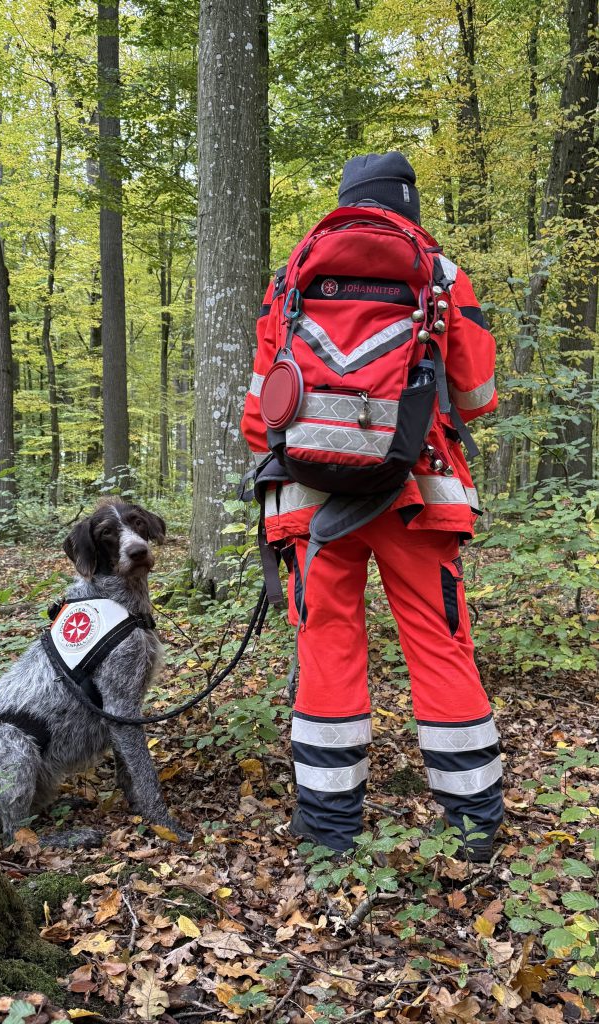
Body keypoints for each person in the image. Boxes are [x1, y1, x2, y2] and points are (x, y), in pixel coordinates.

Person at [240, 152, 503, 860]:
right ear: (408, 205)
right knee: (439, 647)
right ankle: (473, 827)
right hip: (416, 496)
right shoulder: (440, 276)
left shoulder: (292, 275)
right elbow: (476, 396)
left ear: (346, 200)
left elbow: (258, 413)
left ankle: (328, 832)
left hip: (308, 502)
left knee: (326, 646)